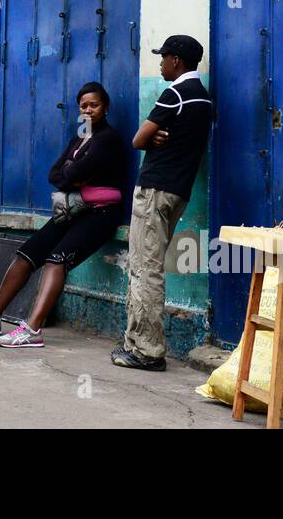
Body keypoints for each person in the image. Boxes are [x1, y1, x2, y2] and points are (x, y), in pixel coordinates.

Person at [0, 82, 128, 348]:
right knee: (27, 253)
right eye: (83, 106)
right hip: (73, 208)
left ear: (106, 108)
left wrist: (73, 172)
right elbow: (55, 174)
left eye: (94, 105)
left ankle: (33, 330)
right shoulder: (79, 138)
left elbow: (76, 171)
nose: (88, 110)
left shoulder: (108, 139)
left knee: (56, 260)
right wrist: (74, 173)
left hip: (101, 213)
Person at [111, 34, 213, 372]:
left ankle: (147, 351)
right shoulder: (203, 98)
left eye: (164, 57)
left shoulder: (176, 94)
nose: (161, 63)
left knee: (145, 268)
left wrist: (151, 137)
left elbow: (137, 140)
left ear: (176, 61)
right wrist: (157, 136)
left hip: (155, 190)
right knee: (146, 264)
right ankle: (134, 341)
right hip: (177, 191)